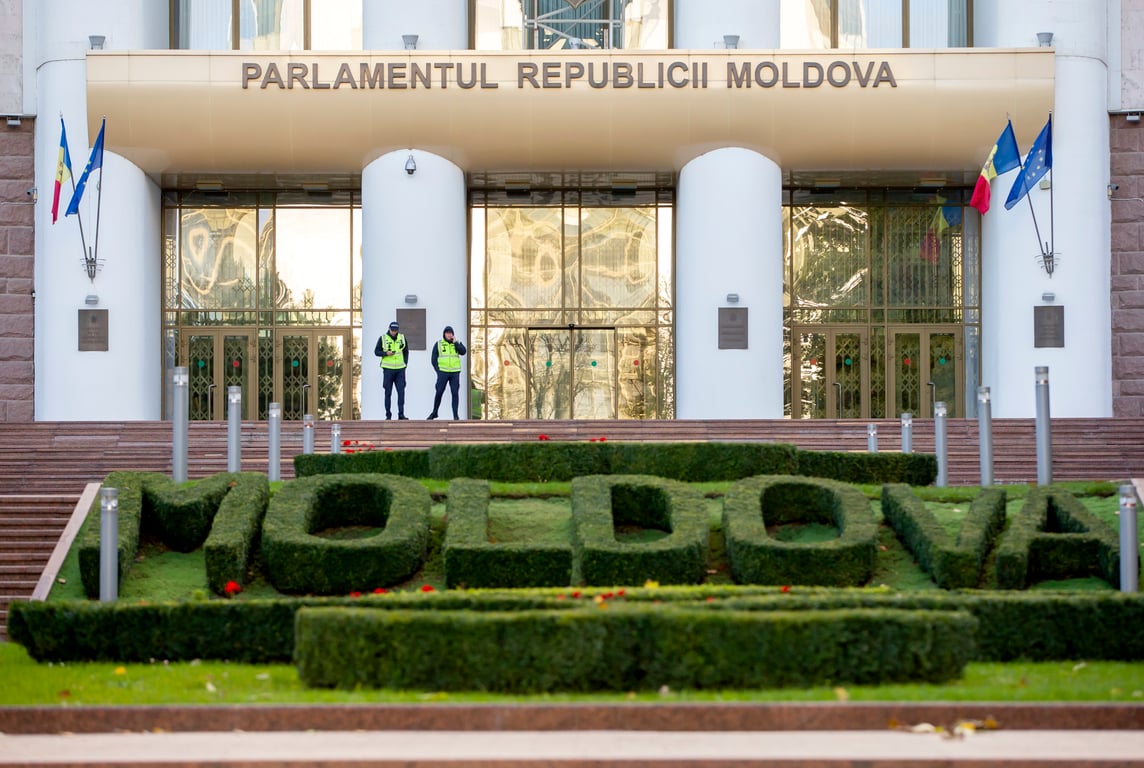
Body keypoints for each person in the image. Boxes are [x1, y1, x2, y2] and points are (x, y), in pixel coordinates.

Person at [428, 325, 467, 420]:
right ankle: (435, 412)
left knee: (455, 393)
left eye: (450, 333)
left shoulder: (457, 343)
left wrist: (456, 343)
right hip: (443, 372)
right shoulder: (439, 344)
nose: (449, 335)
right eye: (447, 333)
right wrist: (438, 371)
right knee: (439, 392)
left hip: (455, 372)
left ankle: (455, 415)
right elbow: (433, 359)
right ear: (444, 334)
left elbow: (463, 352)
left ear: (453, 334)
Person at [374, 321, 409, 420]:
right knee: (388, 392)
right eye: (392, 330)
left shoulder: (402, 338)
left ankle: (401, 414)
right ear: (389, 329)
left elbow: (406, 351)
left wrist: (405, 363)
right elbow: (376, 352)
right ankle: (388, 415)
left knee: (401, 392)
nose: (394, 332)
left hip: (400, 370)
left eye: (395, 330)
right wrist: (385, 353)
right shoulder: (383, 338)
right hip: (388, 370)